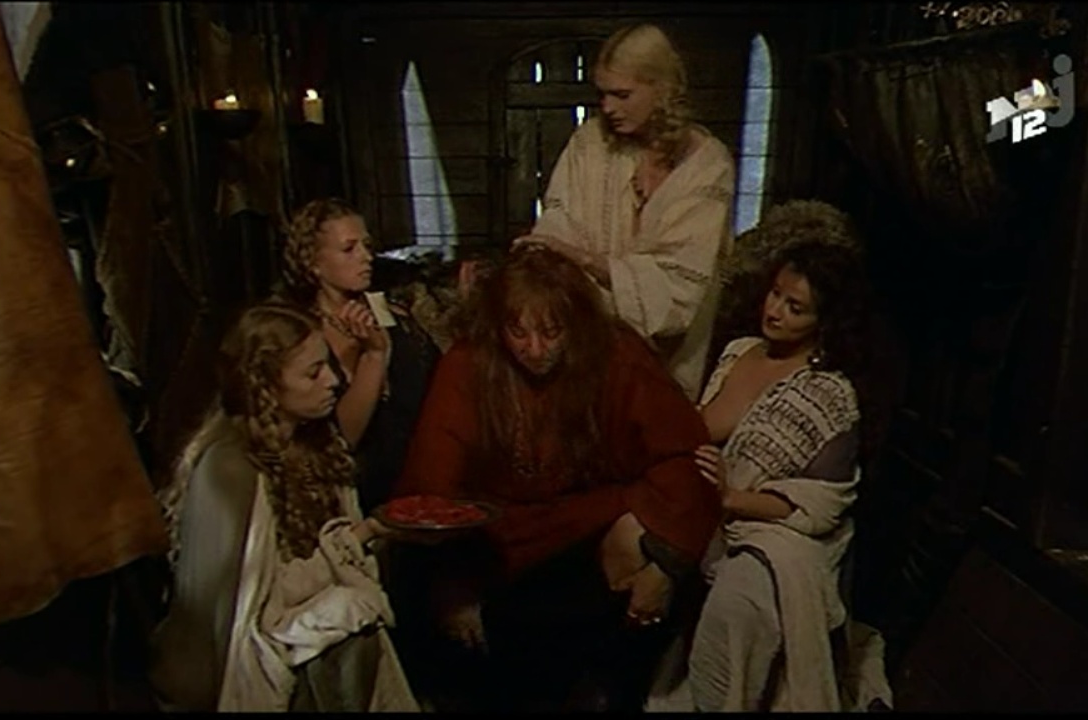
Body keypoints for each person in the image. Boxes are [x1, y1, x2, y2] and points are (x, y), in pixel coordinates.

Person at [390, 245, 722, 711]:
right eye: (518, 332)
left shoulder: (616, 355)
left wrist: (665, 567)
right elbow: (432, 483)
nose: (535, 350)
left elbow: (682, 459)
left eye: (551, 332)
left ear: (576, 323)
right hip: (493, 537)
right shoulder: (469, 364)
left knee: (634, 558)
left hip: (587, 528)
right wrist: (452, 582)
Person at [148, 301, 419, 712]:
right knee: (349, 622)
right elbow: (243, 608)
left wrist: (368, 534)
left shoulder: (316, 442)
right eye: (313, 372)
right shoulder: (231, 468)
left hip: (304, 628)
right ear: (267, 384)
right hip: (252, 649)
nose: (332, 381)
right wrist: (338, 586)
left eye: (328, 365)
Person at [686, 226, 876, 711]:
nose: (774, 311)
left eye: (796, 308)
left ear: (823, 322)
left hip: (777, 535)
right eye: (775, 294)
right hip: (702, 507)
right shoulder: (738, 351)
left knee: (739, 602)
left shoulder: (828, 394)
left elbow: (822, 505)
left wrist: (732, 497)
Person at [516, 23, 736, 400]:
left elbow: (679, 292)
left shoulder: (708, 167)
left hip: (663, 366)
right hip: (582, 350)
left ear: (661, 88)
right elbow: (559, 223)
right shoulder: (591, 142)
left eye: (622, 95)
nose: (608, 108)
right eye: (602, 94)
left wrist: (587, 259)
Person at [276, 198, 440, 512]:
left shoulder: (397, 319)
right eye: (349, 249)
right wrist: (372, 357)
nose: (366, 257)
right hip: (349, 495)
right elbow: (339, 441)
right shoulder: (303, 336)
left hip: (413, 487)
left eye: (367, 246)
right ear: (313, 262)